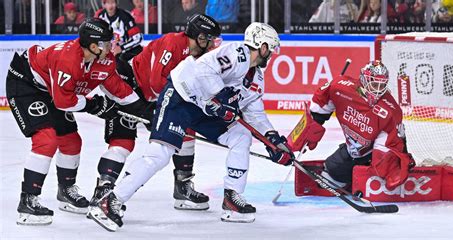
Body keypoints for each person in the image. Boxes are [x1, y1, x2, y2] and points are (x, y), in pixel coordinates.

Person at [88, 22, 291, 231]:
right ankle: (111, 201)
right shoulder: (237, 53)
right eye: (271, 49)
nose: (271, 55)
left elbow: (255, 113)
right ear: (263, 46)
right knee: (160, 154)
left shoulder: (256, 77)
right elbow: (203, 69)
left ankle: (232, 198)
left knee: (241, 136)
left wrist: (273, 141)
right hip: (180, 97)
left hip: (205, 108)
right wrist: (221, 96)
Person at [5, 18, 148, 225]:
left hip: (52, 90)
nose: (112, 46)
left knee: (71, 141)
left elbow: (118, 88)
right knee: (46, 140)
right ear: (93, 46)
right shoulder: (68, 59)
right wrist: (94, 106)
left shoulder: (104, 59)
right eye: (107, 43)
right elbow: (64, 102)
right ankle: (28, 200)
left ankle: (66, 192)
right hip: (26, 84)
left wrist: (146, 112)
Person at [89, 14, 222, 213]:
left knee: (185, 130)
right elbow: (155, 81)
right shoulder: (173, 42)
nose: (211, 44)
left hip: (155, 97)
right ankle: (103, 189)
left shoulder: (201, 56)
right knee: (123, 140)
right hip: (130, 87)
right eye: (208, 39)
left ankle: (182, 186)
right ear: (198, 36)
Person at [305, 60, 414, 191]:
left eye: (382, 85)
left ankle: (369, 173)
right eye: (374, 84)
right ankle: (351, 179)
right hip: (355, 149)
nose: (378, 90)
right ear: (363, 80)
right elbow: (321, 101)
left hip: (375, 152)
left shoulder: (390, 110)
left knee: (382, 170)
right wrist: (314, 123)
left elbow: (391, 143)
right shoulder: (341, 87)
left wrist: (385, 167)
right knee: (331, 170)